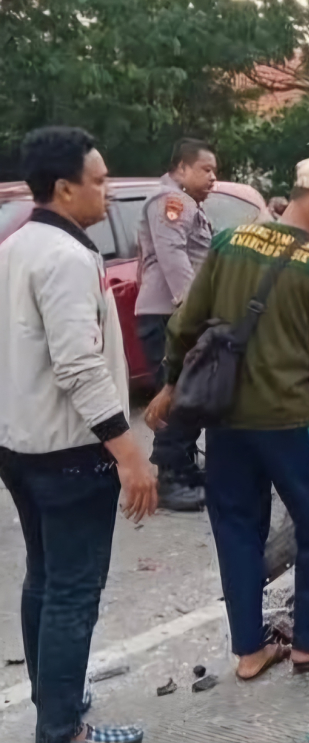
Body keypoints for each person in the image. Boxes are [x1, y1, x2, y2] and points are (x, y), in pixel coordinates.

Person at [145, 157, 309, 681]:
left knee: (236, 529)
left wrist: (169, 385)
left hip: (225, 418)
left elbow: (185, 323)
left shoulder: (229, 243)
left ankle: (250, 652)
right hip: (286, 422)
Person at [0, 126, 156, 743]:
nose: (108, 192)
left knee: (44, 577)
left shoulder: (14, 246)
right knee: (72, 589)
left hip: (20, 444)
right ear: (63, 189)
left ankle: (54, 697)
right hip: (66, 452)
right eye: (98, 181)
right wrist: (127, 452)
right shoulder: (64, 258)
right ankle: (63, 728)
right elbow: (77, 365)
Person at [134, 138, 218, 511]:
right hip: (170, 314)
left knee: (191, 393)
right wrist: (192, 310)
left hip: (176, 314)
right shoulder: (170, 202)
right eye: (206, 169)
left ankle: (182, 467)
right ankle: (169, 476)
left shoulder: (187, 204)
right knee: (178, 395)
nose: (213, 177)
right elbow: (173, 257)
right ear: (181, 169)